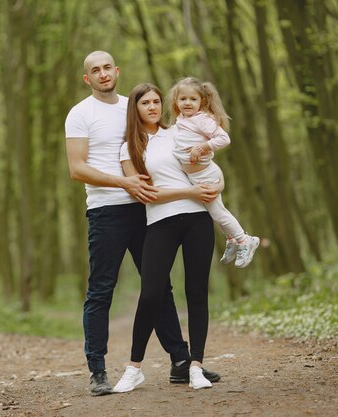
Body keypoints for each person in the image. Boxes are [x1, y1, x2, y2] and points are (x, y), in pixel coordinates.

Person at [64, 52, 220, 396]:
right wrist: (125, 183)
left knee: (158, 287)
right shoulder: (80, 114)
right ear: (86, 78)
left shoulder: (134, 104)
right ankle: (98, 370)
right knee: (101, 289)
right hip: (106, 211)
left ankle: (181, 361)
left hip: (149, 209)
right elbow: (76, 168)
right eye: (95, 70)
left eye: (107, 67)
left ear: (116, 71)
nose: (103, 74)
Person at [112, 83, 223, 392]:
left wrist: (209, 180)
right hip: (160, 222)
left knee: (197, 292)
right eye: (145, 102)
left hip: (198, 219)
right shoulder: (128, 148)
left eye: (157, 101)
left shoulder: (178, 132)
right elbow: (146, 194)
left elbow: (207, 156)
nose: (152, 107)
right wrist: (190, 191)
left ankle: (195, 366)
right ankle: (134, 368)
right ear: (135, 108)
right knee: (151, 293)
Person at [168, 77, 259, 268]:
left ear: (202, 101)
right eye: (183, 99)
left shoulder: (202, 119)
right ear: (176, 101)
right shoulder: (182, 120)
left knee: (218, 213)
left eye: (193, 99)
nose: (187, 103)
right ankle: (233, 239)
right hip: (195, 176)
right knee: (215, 212)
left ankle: (244, 240)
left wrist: (201, 148)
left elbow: (224, 138)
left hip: (205, 176)